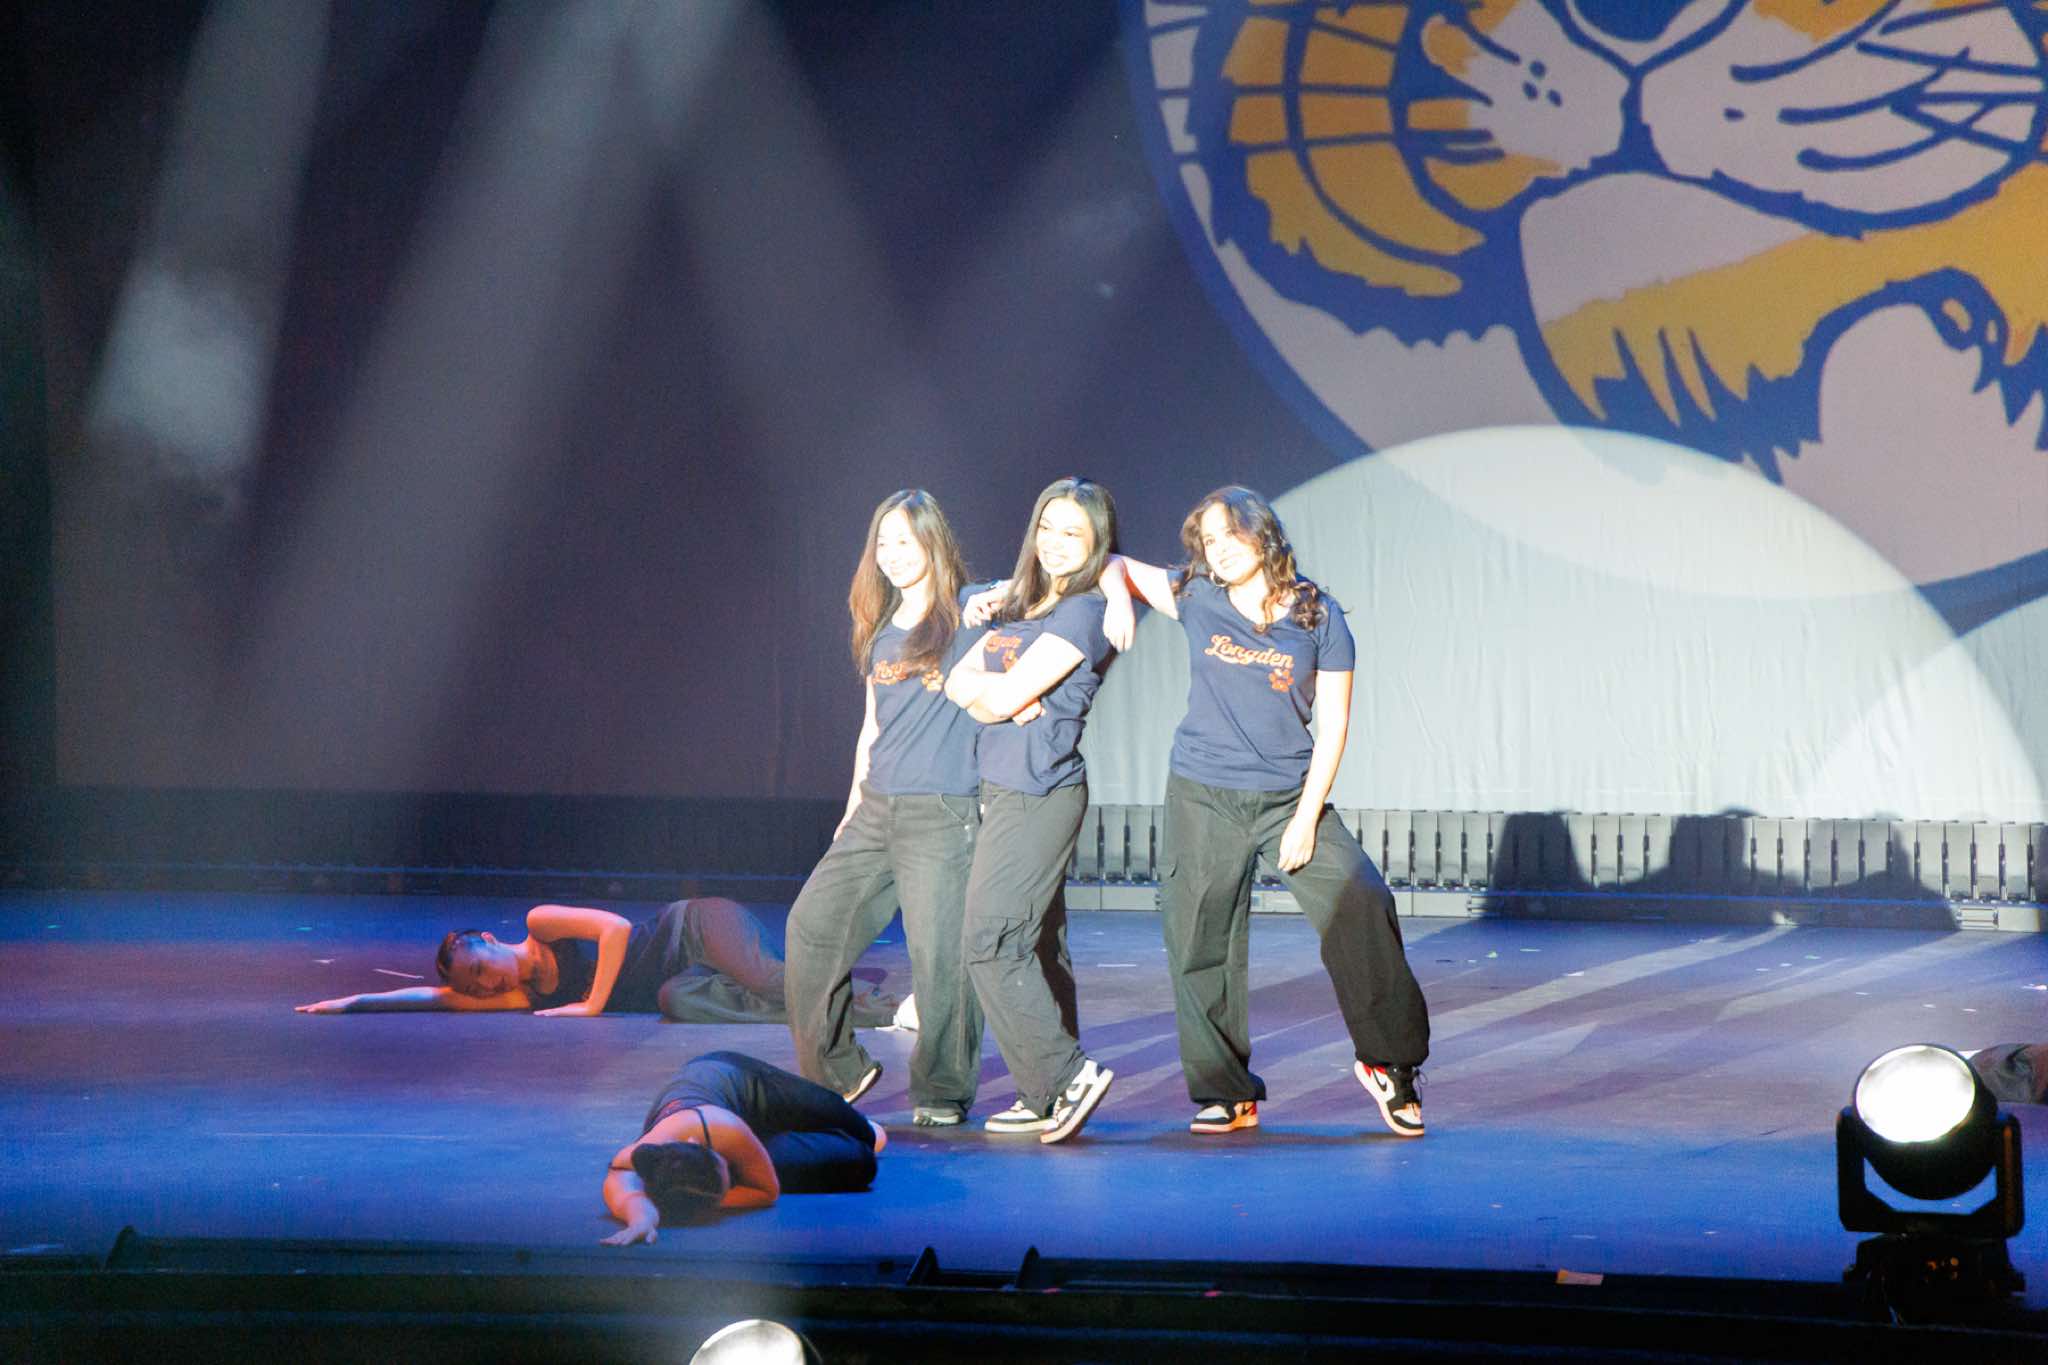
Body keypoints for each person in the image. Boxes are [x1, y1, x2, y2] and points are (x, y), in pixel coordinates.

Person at [1106, 486, 1431, 1137]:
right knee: (1199, 937)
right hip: (1202, 791)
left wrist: (1306, 819)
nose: (1219, 550)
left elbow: (1334, 726)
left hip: (1287, 795)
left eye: (1231, 534)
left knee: (1362, 900)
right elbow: (1113, 563)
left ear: (1264, 534)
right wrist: (1118, 597)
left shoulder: (1318, 615)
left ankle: (1389, 1064)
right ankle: (1226, 1091)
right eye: (1208, 540)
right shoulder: (1197, 596)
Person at [784, 490, 987, 1125]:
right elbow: (872, 730)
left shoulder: (968, 614)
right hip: (876, 810)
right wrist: (852, 810)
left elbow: (1029, 591)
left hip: (942, 813)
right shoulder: (881, 635)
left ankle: (943, 1092)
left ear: (933, 543)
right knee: (811, 926)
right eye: (883, 543)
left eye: (905, 541)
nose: (892, 554)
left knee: (941, 961)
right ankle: (837, 1071)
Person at [943, 476, 1123, 1145]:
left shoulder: (1082, 612)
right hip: (1005, 787)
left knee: (988, 941)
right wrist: (996, 692)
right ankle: (1044, 1090)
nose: (1054, 542)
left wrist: (994, 694)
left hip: (1039, 792)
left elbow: (985, 695)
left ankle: (1068, 1076)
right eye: (1047, 527)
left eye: (1073, 532)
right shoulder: (1022, 605)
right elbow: (957, 679)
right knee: (1037, 945)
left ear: (1097, 542)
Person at [295, 898, 897, 1025]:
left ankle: (884, 1008)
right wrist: (353, 1001)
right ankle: (828, 1013)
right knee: (675, 1003)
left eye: (479, 968)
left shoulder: (539, 925)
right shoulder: (528, 997)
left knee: (764, 978)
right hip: (686, 978)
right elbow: (435, 999)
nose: (485, 984)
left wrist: (591, 1005)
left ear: (490, 940)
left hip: (696, 927)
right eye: (477, 987)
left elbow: (614, 929)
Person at [602, 1050, 887, 1245]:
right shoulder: (653, 1159)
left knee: (866, 1133)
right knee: (861, 1162)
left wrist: (696, 1202)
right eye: (730, 1179)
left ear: (697, 1144)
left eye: (729, 1170)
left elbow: (766, 1192)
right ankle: (768, 1144)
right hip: (741, 1139)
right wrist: (642, 1218)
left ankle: (773, 1138)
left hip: (742, 1082)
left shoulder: (723, 1128)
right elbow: (624, 1190)